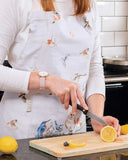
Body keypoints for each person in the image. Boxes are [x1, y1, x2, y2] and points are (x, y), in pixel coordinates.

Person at [0, 0, 120, 139]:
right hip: (23, 133)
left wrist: (97, 117)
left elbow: (94, 68)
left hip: (74, 134)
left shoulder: (89, 5)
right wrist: (47, 81)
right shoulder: (16, 2)